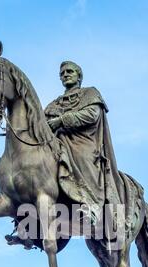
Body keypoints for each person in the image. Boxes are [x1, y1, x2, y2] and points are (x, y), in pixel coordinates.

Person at [45, 61, 125, 225]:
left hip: (82, 142)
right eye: (62, 73)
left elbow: (91, 115)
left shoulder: (90, 93)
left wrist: (61, 120)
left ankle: (91, 206)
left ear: (79, 76)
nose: (65, 75)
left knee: (82, 157)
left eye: (69, 72)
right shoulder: (54, 104)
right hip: (57, 142)